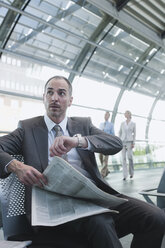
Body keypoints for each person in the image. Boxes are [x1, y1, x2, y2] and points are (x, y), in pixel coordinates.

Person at [0, 76, 164, 248]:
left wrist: (79, 141)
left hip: (93, 198)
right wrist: (16, 166)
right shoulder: (27, 129)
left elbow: (116, 143)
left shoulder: (83, 125)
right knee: (100, 222)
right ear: (44, 98)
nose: (55, 97)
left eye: (61, 93)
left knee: (155, 217)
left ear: (70, 101)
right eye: (50, 92)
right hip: (53, 207)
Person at [119, 110, 136, 180]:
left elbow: (134, 134)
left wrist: (133, 143)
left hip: (129, 141)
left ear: (129, 114)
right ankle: (125, 175)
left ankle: (131, 173)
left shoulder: (133, 123)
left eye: (126, 113)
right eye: (124, 113)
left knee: (130, 157)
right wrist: (119, 140)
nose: (125, 114)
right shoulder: (122, 123)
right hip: (123, 141)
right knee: (123, 158)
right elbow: (120, 132)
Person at [99, 111, 115, 177]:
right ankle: (106, 170)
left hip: (107, 142)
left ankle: (103, 173)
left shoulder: (111, 125)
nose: (106, 116)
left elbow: (113, 134)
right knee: (100, 157)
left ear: (109, 117)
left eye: (107, 115)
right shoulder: (101, 124)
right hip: (101, 142)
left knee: (105, 158)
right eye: (105, 115)